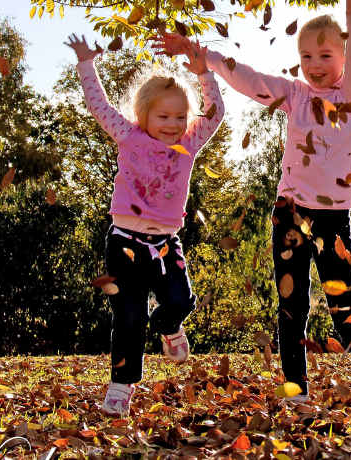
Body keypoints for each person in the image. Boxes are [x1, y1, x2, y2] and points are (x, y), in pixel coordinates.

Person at [155, 0, 351, 403]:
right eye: (306, 56)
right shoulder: (294, 94)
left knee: (346, 306)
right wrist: (204, 57)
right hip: (289, 214)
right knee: (292, 305)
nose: (315, 64)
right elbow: (248, 78)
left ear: (343, 57)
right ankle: (296, 388)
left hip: (332, 219)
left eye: (325, 54)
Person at [65, 34, 224, 416]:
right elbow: (98, 105)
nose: (173, 125)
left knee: (180, 301)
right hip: (124, 244)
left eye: (179, 117)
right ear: (143, 115)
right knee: (128, 317)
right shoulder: (129, 135)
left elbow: (214, 113)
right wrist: (86, 63)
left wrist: (204, 73)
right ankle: (121, 386)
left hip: (167, 244)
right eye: (163, 116)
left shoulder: (188, 143)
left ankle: (168, 326)